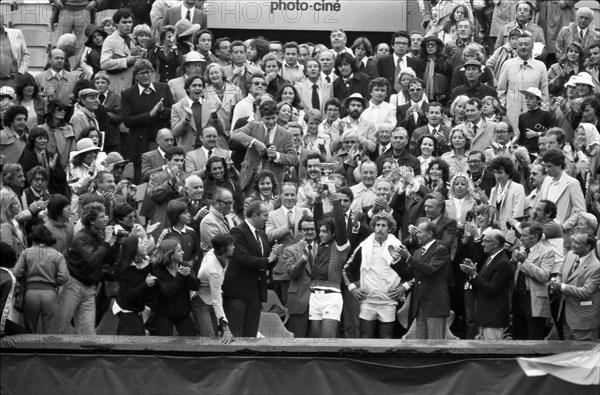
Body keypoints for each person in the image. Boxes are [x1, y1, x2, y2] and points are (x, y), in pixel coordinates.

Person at [222, 200, 283, 337]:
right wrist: (268, 259)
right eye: (265, 215)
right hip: (238, 293)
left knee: (251, 334)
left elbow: (266, 261)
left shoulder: (262, 234)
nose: (267, 219)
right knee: (236, 333)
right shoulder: (237, 231)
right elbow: (243, 258)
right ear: (255, 215)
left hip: (256, 292)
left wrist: (274, 256)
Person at [344, 212, 406, 339]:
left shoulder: (399, 247)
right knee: (365, 337)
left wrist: (403, 287)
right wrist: (352, 289)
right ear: (373, 227)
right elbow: (346, 268)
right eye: (377, 225)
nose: (380, 228)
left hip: (388, 300)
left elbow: (413, 271)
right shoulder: (363, 246)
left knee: (387, 338)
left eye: (384, 225)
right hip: (368, 300)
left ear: (390, 228)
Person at [59, 202, 116, 335]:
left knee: (88, 333)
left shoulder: (99, 236)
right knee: (60, 326)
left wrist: (115, 243)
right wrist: (107, 242)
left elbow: (110, 259)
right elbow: (93, 259)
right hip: (73, 285)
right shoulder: (81, 237)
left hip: (89, 287)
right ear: (91, 220)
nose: (106, 218)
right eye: (101, 217)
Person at [392, 221, 451, 340]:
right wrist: (396, 261)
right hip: (419, 306)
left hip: (435, 305)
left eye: (419, 232)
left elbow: (430, 269)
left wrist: (408, 257)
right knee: (419, 345)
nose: (416, 235)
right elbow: (408, 274)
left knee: (435, 344)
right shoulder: (418, 252)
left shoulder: (440, 250)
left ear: (429, 234)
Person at [121, 59, 174, 183]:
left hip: (163, 141)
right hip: (141, 143)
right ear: (136, 76)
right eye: (141, 73)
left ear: (153, 73)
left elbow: (174, 111)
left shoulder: (163, 88)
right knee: (143, 179)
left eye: (148, 72)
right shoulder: (128, 93)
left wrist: (161, 111)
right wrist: (149, 115)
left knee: (167, 176)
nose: (145, 75)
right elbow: (127, 120)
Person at [231, 100, 297, 195]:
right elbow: (234, 134)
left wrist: (276, 155)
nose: (271, 122)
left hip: (274, 182)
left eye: (273, 118)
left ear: (277, 115)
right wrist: (255, 142)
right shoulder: (253, 126)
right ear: (261, 117)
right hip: (251, 180)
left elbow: (294, 159)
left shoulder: (287, 135)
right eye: (267, 119)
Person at [12, 225, 69, 334]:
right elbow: (64, 277)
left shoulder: (26, 253)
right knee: (50, 331)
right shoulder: (57, 255)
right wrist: (54, 283)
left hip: (30, 294)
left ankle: (30, 350)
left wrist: (24, 281)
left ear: (33, 238)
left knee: (29, 331)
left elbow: (16, 273)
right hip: (50, 294)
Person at [460, 228, 513, 340]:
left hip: (494, 317)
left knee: (491, 351)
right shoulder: (490, 258)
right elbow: (482, 282)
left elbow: (491, 289)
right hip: (485, 316)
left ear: (495, 244)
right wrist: (472, 272)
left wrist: (474, 274)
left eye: (486, 241)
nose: (482, 244)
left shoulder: (503, 263)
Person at [265, 183, 312, 304]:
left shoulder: (305, 212)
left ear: (297, 196)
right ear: (280, 196)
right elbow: (268, 236)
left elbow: (314, 232)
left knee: (306, 305)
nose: (289, 197)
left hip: (305, 267)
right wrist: (287, 227)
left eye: (292, 194)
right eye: (286, 194)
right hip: (283, 268)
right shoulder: (271, 215)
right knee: (287, 305)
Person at [549, 232, 600, 341]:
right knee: (570, 354)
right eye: (573, 241)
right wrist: (555, 282)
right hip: (566, 318)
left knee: (584, 356)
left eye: (577, 243)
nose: (572, 244)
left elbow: (586, 292)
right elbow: (561, 274)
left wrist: (561, 286)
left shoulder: (596, 267)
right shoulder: (570, 255)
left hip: (583, 322)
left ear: (587, 247)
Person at [510, 221, 554, 340]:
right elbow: (510, 273)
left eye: (524, 235)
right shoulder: (520, 249)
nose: (521, 238)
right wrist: (513, 263)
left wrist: (525, 261)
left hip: (533, 299)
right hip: (517, 297)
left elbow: (544, 276)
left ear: (534, 237)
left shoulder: (547, 252)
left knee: (533, 336)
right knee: (518, 335)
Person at [497, 34, 549, 132]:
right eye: (520, 44)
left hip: (533, 114)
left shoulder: (540, 66)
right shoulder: (508, 65)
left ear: (532, 46)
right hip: (512, 114)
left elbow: (544, 93)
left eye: (526, 44)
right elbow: (501, 90)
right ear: (516, 46)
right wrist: (504, 111)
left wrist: (543, 114)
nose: (523, 47)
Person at [152, 238, 199, 336]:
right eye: (179, 251)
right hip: (164, 314)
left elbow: (195, 286)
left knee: (191, 340)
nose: (183, 252)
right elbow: (167, 291)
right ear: (171, 254)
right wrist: (180, 276)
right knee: (164, 343)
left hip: (183, 313)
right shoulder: (157, 270)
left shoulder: (184, 265)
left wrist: (188, 275)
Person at [113, 230, 156, 336]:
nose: (145, 244)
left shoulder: (148, 263)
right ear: (134, 248)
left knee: (128, 333)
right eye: (141, 243)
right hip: (125, 308)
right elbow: (129, 295)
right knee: (138, 335)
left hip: (139, 307)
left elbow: (153, 285)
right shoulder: (125, 269)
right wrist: (146, 284)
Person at [196, 234, 235, 344]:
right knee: (209, 339)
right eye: (231, 245)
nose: (234, 247)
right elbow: (217, 302)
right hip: (202, 302)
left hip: (212, 301)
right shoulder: (213, 272)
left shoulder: (214, 251)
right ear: (223, 249)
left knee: (215, 339)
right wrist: (226, 329)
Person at [172, 75, 222, 154]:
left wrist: (215, 116)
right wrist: (186, 119)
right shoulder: (177, 107)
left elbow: (221, 130)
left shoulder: (211, 105)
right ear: (188, 88)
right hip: (187, 151)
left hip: (209, 150)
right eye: (194, 86)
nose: (197, 88)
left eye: (200, 86)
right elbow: (175, 133)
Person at [540, 149, 586, 234]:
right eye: (545, 166)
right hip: (544, 232)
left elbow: (580, 211)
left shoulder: (572, 183)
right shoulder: (546, 180)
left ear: (560, 165)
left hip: (563, 235)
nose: (546, 170)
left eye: (549, 166)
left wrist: (564, 227)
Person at [147, 147, 186, 239]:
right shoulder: (156, 177)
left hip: (182, 221)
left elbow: (190, 196)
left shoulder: (188, 177)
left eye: (182, 160)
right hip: (163, 220)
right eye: (176, 160)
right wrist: (170, 182)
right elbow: (153, 195)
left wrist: (179, 185)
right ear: (167, 160)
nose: (180, 163)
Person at [100, 9, 141, 96]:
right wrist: (126, 61)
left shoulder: (133, 40)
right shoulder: (110, 40)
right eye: (124, 22)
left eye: (130, 22)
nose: (128, 25)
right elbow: (104, 63)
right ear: (116, 23)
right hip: (117, 86)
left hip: (132, 85)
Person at [18, 127, 67, 196]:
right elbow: (25, 180)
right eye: (40, 138)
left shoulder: (52, 156)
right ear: (33, 140)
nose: (43, 141)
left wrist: (53, 169)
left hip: (53, 193)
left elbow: (62, 179)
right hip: (34, 196)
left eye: (45, 138)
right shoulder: (26, 158)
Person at [488, 156, 525, 244]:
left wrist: (509, 241)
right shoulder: (494, 190)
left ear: (508, 173)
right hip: (495, 237)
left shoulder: (518, 188)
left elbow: (517, 215)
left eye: (500, 173)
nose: (497, 175)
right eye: (495, 172)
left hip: (511, 237)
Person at [204, 63, 242, 136]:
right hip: (215, 133)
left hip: (234, 132)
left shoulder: (236, 90)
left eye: (216, 72)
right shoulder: (204, 92)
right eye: (211, 73)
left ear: (222, 74)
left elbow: (241, 112)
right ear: (208, 76)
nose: (214, 75)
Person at [517, 87, 555, 156]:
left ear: (538, 100)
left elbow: (553, 133)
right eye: (526, 98)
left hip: (542, 152)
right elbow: (521, 137)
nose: (527, 100)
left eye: (531, 98)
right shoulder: (522, 117)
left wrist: (537, 134)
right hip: (527, 153)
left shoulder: (546, 114)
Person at [199, 187, 235, 253]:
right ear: (216, 202)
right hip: (215, 260)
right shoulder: (207, 221)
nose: (230, 206)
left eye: (231, 203)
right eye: (227, 203)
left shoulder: (227, 216)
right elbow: (219, 246)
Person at [418, 36, 452, 103]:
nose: (430, 47)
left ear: (438, 47)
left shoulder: (446, 62)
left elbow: (451, 81)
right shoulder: (419, 62)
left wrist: (445, 95)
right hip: (421, 97)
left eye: (433, 44)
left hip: (440, 98)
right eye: (427, 45)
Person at [41, 100, 75, 166]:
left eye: (64, 110)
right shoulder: (41, 129)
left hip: (64, 167)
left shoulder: (68, 128)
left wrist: (69, 165)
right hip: (46, 167)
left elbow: (73, 149)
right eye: (59, 109)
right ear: (51, 111)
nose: (63, 111)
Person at [0, 14, 29, 88]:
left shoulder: (16, 33)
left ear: (3, 20)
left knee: (13, 99)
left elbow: (25, 55)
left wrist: (20, 73)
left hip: (12, 80)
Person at [0, 192, 28, 260]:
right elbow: (7, 253)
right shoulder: (5, 226)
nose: (19, 205)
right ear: (8, 207)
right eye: (15, 203)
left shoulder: (15, 222)